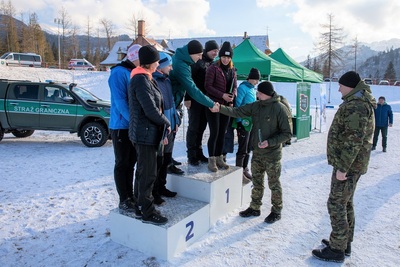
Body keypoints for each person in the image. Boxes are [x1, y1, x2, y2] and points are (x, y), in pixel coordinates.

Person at [312, 71, 376, 263]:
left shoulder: (356, 106)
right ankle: (344, 242)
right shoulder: (357, 102)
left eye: (341, 85)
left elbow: (353, 141)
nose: (338, 88)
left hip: (348, 166)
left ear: (349, 85)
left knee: (336, 203)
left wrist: (343, 168)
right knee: (345, 203)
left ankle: (337, 249)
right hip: (351, 164)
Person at [210, 81, 292, 223]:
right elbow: (237, 111)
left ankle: (276, 210)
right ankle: (255, 207)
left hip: (272, 155)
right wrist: (220, 108)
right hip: (258, 153)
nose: (257, 94)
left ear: (266, 93)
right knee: (257, 181)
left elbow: (287, 133)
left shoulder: (280, 109)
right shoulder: (257, 105)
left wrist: (270, 142)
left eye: (259, 92)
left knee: (274, 184)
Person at [128, 45, 171, 225]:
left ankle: (140, 206)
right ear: (150, 63)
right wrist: (166, 122)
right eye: (156, 61)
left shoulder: (146, 77)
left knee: (144, 172)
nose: (157, 64)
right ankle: (147, 211)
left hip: (147, 133)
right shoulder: (140, 79)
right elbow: (150, 110)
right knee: (148, 174)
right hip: (144, 134)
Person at [108, 44, 141, 214]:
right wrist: (134, 121)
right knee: (122, 163)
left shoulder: (133, 72)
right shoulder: (119, 73)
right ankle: (124, 199)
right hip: (121, 126)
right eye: (140, 59)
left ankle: (131, 196)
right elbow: (120, 102)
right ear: (133, 57)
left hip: (132, 125)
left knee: (131, 163)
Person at [152, 52, 182, 205]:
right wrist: (163, 129)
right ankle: (154, 192)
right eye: (169, 65)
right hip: (162, 129)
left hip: (170, 127)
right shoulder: (154, 82)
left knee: (166, 161)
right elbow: (157, 109)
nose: (171, 68)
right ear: (161, 66)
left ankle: (162, 187)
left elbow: (171, 104)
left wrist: (175, 120)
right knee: (157, 161)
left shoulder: (167, 81)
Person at [185, 40, 219, 166]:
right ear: (207, 50)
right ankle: (191, 154)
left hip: (206, 100)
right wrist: (187, 97)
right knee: (194, 127)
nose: (215, 53)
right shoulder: (198, 62)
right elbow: (189, 81)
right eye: (213, 51)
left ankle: (199, 152)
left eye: (217, 51)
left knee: (202, 127)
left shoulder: (213, 64)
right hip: (194, 100)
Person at [205, 41, 237, 172]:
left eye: (228, 57)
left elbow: (235, 86)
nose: (225, 59)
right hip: (214, 105)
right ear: (220, 57)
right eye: (223, 57)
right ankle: (211, 159)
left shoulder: (232, 70)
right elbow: (208, 87)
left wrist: (232, 96)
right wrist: (222, 95)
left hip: (226, 106)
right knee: (215, 132)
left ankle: (219, 157)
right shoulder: (213, 68)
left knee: (223, 133)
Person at [233, 68, 260, 179]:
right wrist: (238, 121)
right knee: (243, 147)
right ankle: (239, 171)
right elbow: (237, 105)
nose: (257, 82)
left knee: (249, 147)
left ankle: (245, 168)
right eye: (256, 80)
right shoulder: (243, 88)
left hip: (251, 122)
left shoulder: (253, 89)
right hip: (243, 122)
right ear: (251, 78)